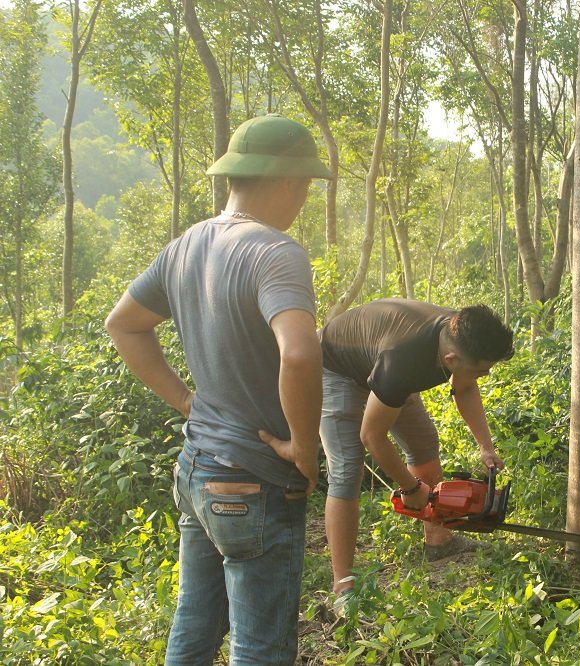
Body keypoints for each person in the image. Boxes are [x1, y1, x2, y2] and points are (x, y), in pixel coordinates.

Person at [105, 114, 331, 665]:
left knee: (194, 626)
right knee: (261, 647)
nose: (303, 198)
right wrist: (304, 445)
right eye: (304, 186)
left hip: (197, 469)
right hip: (255, 478)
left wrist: (187, 402)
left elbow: (123, 324)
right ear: (286, 182)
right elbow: (300, 353)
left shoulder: (186, 246)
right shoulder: (276, 252)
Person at [311, 298, 514, 608]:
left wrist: (485, 446)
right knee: (347, 469)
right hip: (336, 367)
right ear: (451, 358)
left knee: (423, 444)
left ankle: (438, 541)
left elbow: (467, 387)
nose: (485, 374)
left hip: (381, 363)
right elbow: (372, 436)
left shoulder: (458, 335)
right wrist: (410, 487)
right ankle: (343, 586)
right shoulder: (404, 360)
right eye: (482, 369)